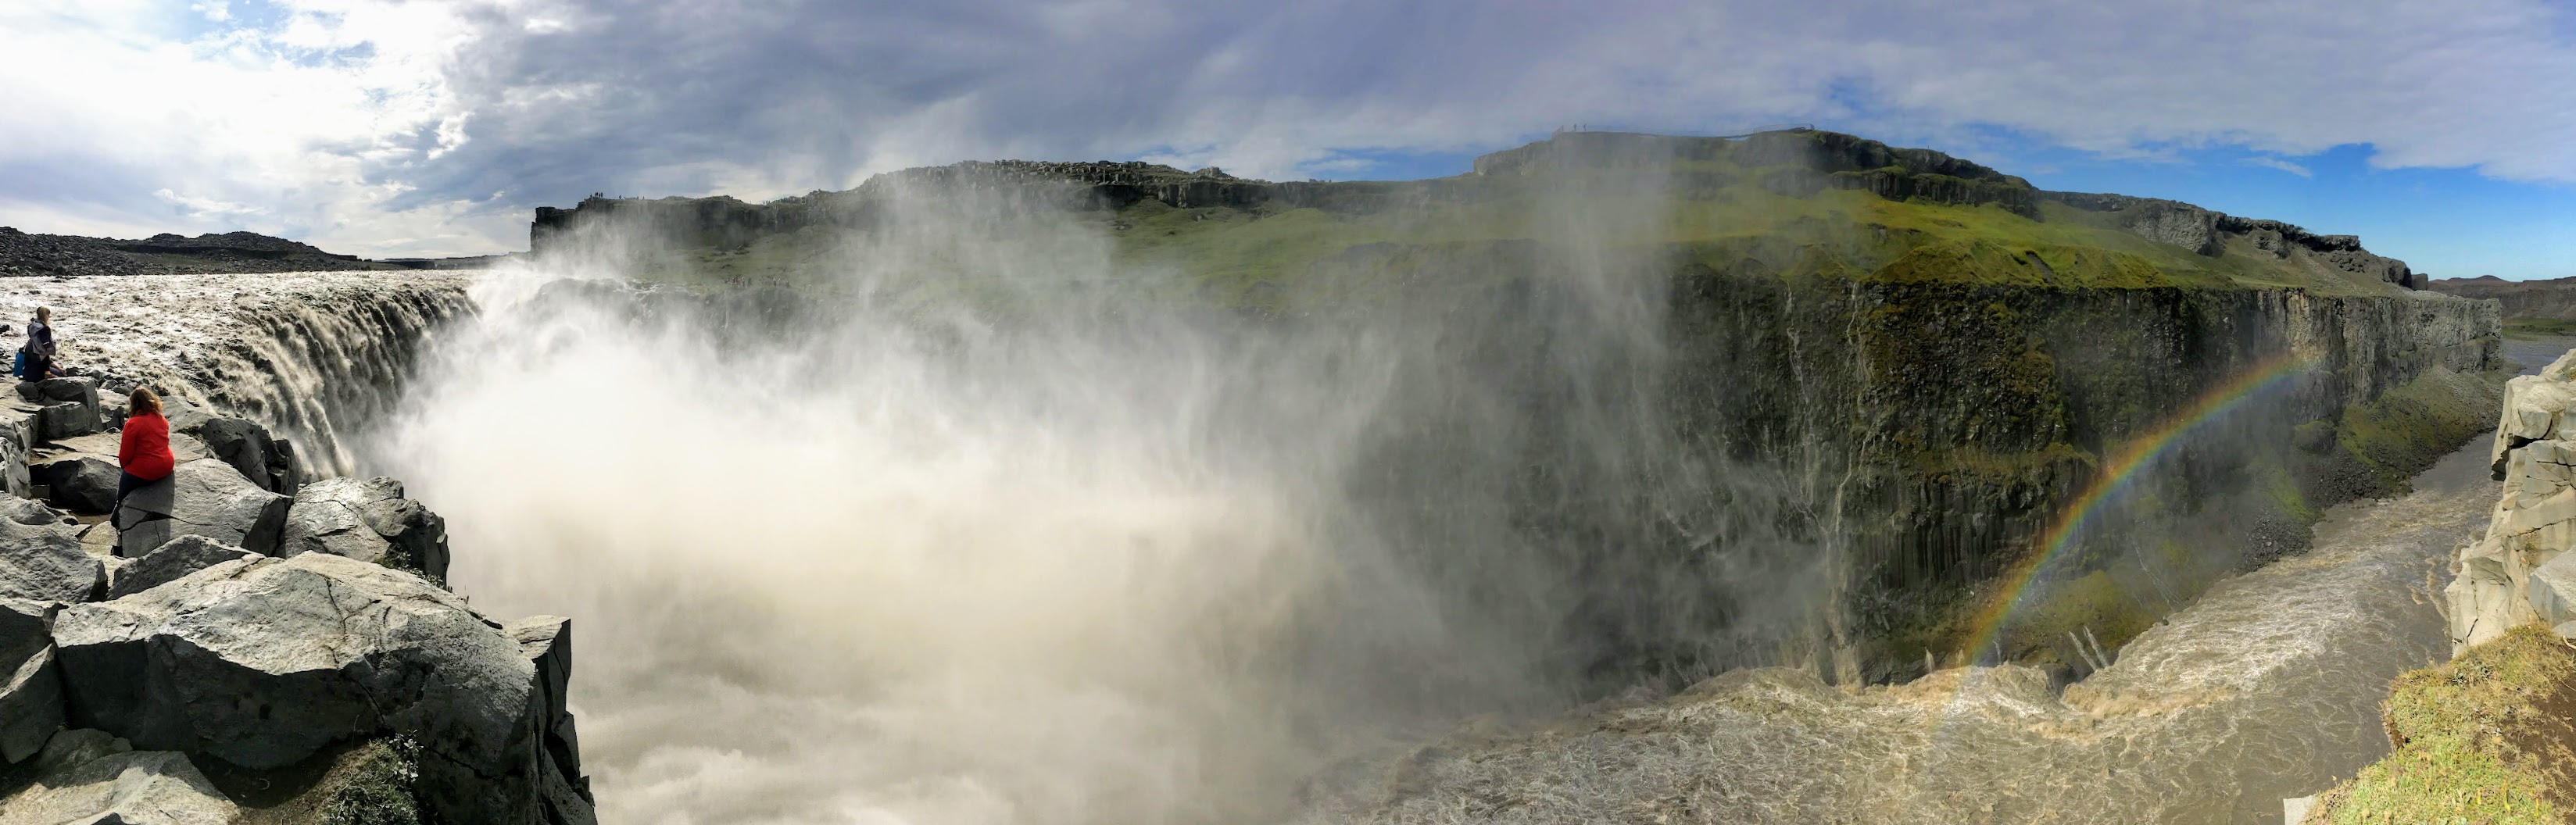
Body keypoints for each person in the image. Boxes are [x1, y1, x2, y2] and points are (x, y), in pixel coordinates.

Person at [113, 387, 174, 538]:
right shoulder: (161, 418)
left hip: (145, 470)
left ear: (134, 404)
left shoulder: (133, 424)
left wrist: (127, 471)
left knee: (122, 493)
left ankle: (116, 519)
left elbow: (124, 456)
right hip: (166, 466)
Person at [22, 307, 59, 380]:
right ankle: (47, 373)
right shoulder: (45, 328)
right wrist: (51, 347)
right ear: (45, 316)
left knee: (46, 352)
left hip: (28, 369)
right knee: (48, 351)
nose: (49, 317)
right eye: (48, 315)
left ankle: (47, 373)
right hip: (37, 371)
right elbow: (46, 344)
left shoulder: (33, 326)